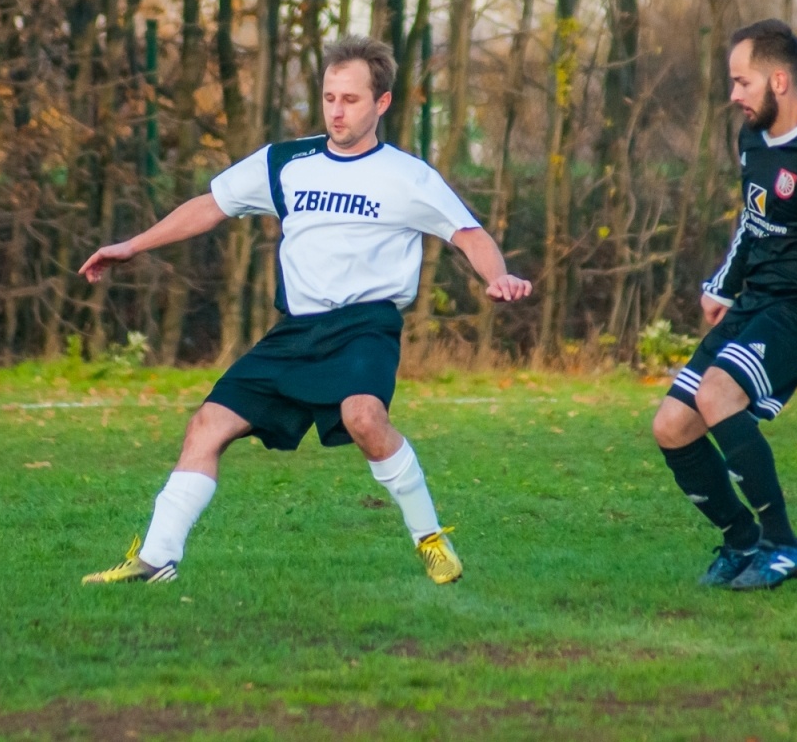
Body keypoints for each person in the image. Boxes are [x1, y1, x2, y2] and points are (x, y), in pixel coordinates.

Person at [78, 36, 532, 585]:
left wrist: (497, 275)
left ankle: (429, 537)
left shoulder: (407, 177)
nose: (337, 112)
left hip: (366, 326)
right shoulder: (286, 162)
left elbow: (469, 234)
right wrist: (133, 245)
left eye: (351, 100)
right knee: (207, 425)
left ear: (381, 104)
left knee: (363, 417)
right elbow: (211, 205)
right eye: (329, 98)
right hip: (295, 331)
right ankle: (155, 561)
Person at [651, 19, 797, 590]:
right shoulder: (752, 141)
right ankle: (741, 542)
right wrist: (724, 283)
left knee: (716, 394)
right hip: (756, 302)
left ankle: (784, 546)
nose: (733, 95)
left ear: (778, 80)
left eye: (742, 82)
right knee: (671, 426)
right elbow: (753, 220)